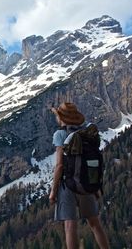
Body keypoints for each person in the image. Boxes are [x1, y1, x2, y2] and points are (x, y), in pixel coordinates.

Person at [49, 102, 109, 249]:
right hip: (86, 182)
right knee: (95, 224)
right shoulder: (87, 131)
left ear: (61, 118)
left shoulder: (60, 134)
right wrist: (96, 186)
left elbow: (60, 165)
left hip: (68, 185)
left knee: (70, 226)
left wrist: (53, 191)